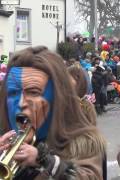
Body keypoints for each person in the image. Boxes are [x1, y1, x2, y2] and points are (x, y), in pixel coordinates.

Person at [0, 46, 106, 179]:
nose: (21, 103)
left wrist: (47, 162)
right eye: (13, 93)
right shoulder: (4, 140)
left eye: (33, 92)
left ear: (58, 98)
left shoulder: (84, 144)